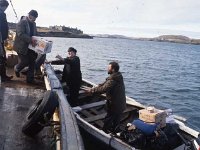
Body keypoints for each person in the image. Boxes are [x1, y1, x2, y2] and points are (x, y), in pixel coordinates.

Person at [85, 62, 126, 133]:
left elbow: (104, 89)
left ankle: (104, 131)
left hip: (115, 104)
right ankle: (115, 130)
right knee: (117, 118)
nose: (107, 69)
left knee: (109, 117)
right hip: (121, 103)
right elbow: (105, 83)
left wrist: (92, 90)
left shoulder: (113, 79)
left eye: (109, 68)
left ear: (113, 69)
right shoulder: (117, 76)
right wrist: (98, 85)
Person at [13, 10, 38, 83]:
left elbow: (36, 33)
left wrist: (40, 40)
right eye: (33, 17)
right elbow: (21, 34)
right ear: (29, 15)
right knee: (25, 61)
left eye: (35, 18)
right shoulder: (21, 23)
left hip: (31, 47)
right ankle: (17, 68)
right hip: (21, 46)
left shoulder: (34, 24)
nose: (34, 19)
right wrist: (31, 40)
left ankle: (30, 79)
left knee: (32, 61)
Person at [0, 0, 13, 82]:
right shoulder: (1, 14)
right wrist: (5, 38)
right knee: (2, 57)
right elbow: (3, 27)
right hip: (0, 38)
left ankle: (3, 76)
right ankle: (3, 77)